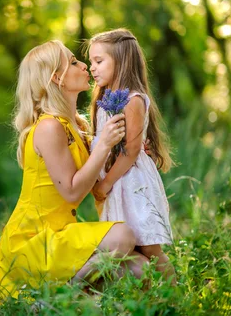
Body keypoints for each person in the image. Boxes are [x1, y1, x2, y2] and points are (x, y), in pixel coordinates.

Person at [0, 40, 149, 306]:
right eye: (73, 62)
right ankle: (59, 300)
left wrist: (136, 147)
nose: (84, 65)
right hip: (32, 241)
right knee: (123, 236)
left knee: (143, 270)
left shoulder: (77, 124)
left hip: (62, 234)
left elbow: (96, 173)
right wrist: (104, 145)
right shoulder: (49, 127)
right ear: (56, 78)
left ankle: (83, 301)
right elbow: (72, 190)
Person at [87, 28, 176, 282]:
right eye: (92, 62)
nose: (92, 68)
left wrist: (104, 183)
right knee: (128, 249)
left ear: (122, 60)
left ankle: (176, 295)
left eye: (99, 61)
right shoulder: (104, 98)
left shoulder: (133, 99)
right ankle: (146, 296)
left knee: (148, 247)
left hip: (131, 182)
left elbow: (132, 150)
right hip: (117, 184)